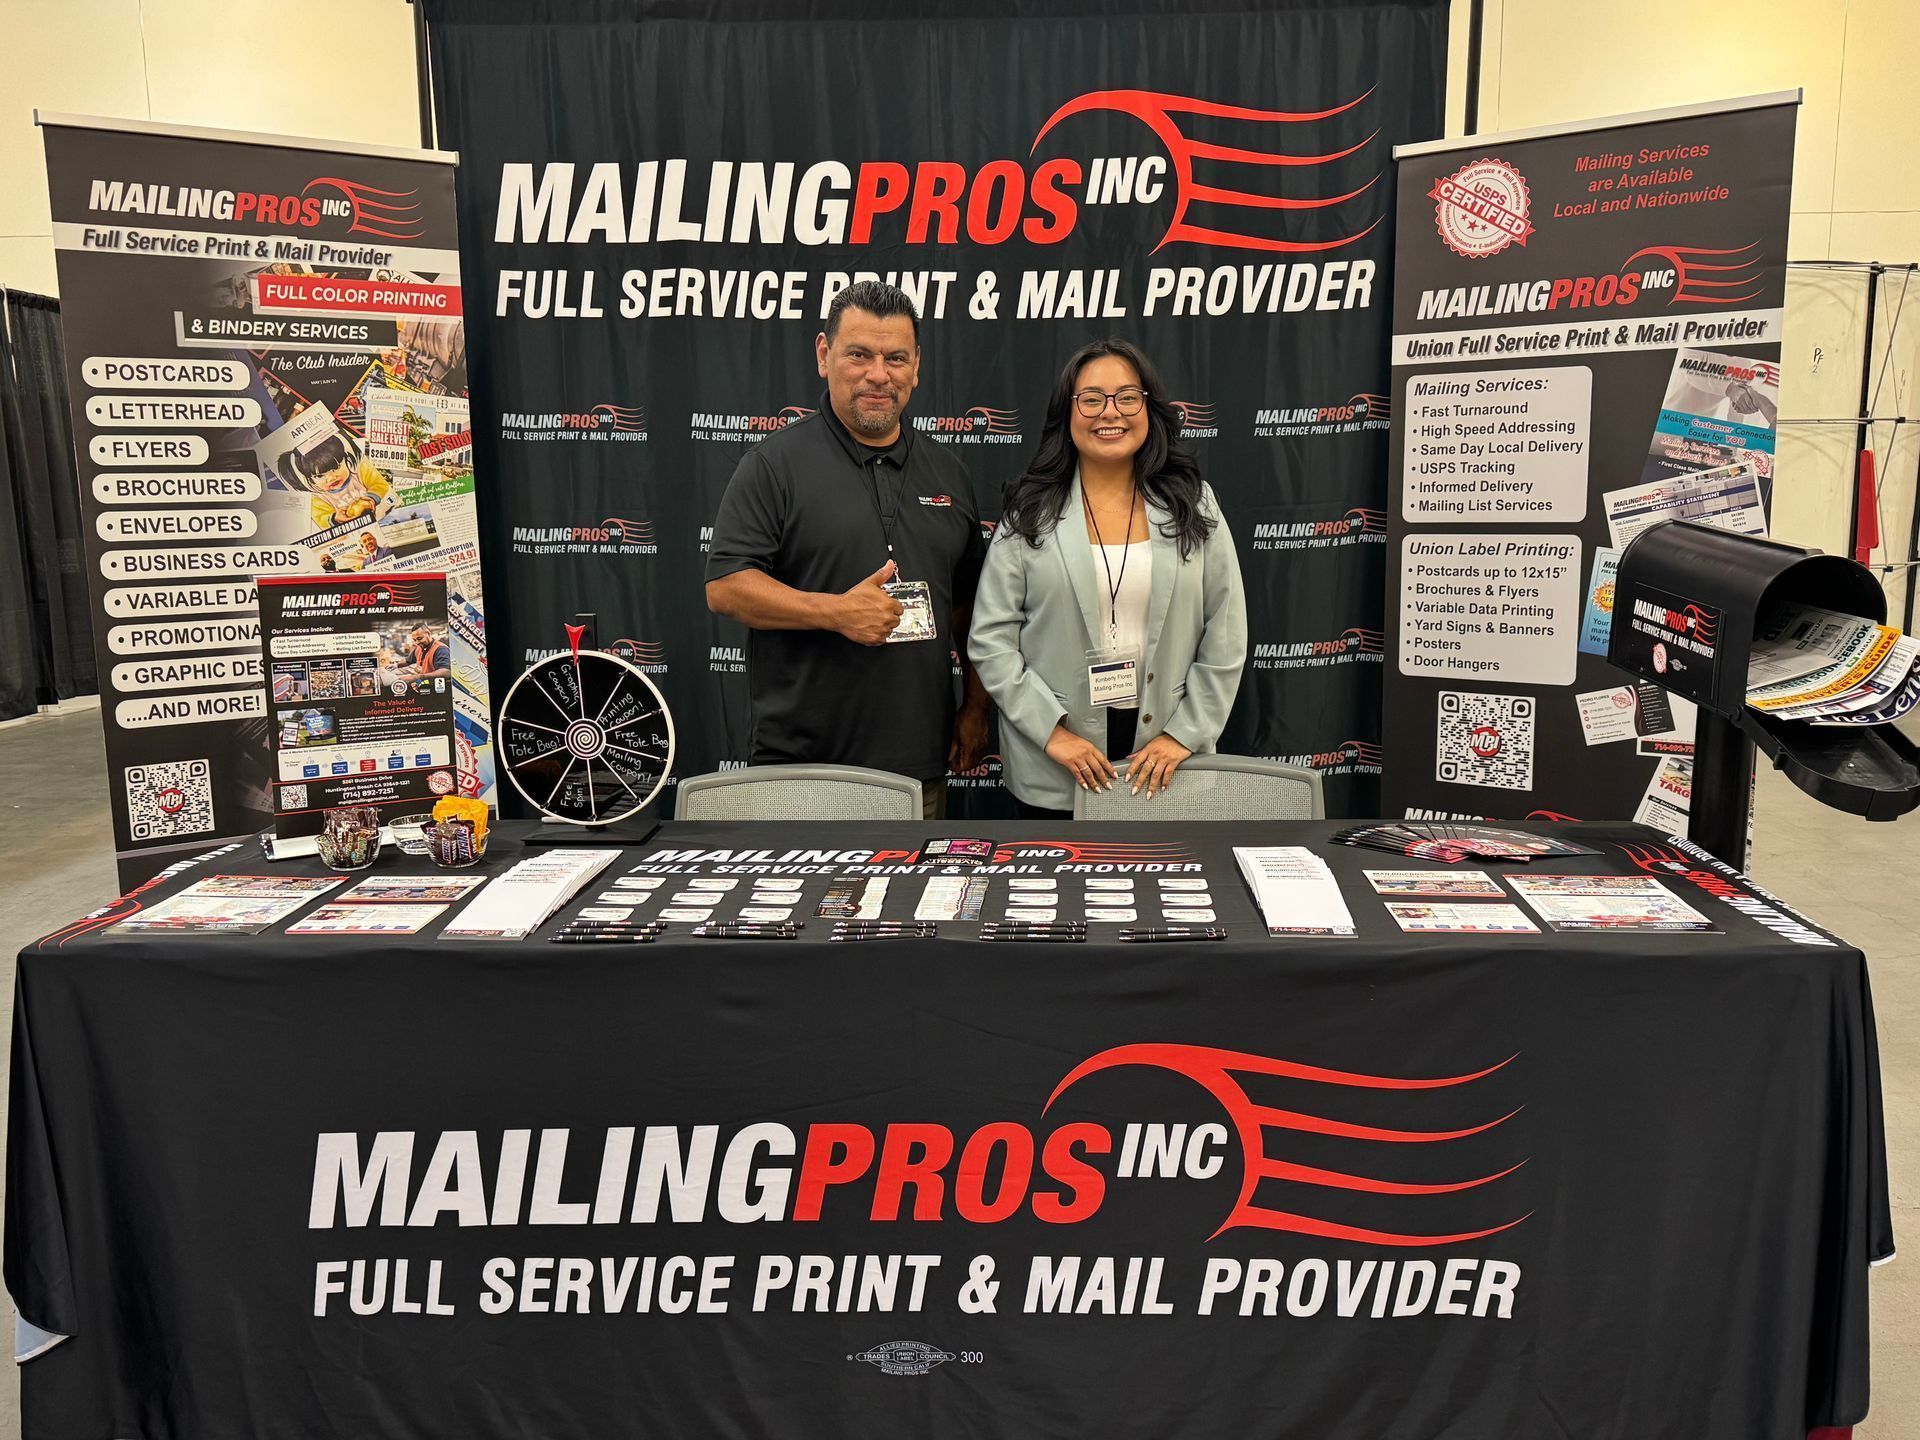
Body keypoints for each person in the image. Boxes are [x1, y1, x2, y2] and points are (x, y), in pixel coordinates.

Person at [704, 281, 989, 818]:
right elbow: (725, 588)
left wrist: (975, 706)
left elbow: (968, 607)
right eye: (859, 354)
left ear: (917, 366)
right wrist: (836, 612)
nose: (878, 374)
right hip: (801, 771)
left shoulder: (949, 471)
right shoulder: (773, 464)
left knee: (910, 904)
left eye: (895, 358)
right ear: (824, 354)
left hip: (918, 769)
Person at [968, 339, 1247, 817]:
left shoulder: (1193, 505)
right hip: (1059, 760)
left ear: (1148, 407)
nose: (1109, 413)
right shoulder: (1029, 514)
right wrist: (1052, 734)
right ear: (1068, 412)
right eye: (1091, 398)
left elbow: (1226, 629)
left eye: (1127, 397)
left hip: (1164, 758)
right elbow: (990, 639)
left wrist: (1185, 733)